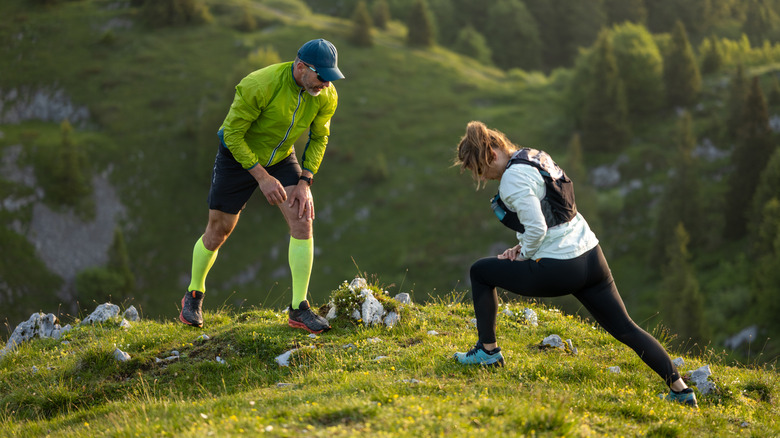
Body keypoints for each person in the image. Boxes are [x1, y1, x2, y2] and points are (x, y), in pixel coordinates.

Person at [452, 121, 698, 408]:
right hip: (591, 256)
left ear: (491, 155)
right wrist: (524, 246)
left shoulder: (511, 180)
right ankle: (680, 390)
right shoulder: (533, 156)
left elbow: (537, 228)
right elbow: (553, 214)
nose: (486, 178)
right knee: (626, 328)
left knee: (480, 272)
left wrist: (523, 254)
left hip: (559, 267)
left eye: (481, 171)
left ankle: (488, 352)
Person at [179, 39, 345, 334]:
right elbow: (232, 134)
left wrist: (305, 180)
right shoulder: (259, 84)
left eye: (331, 77)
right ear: (300, 67)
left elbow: (319, 138)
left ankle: (298, 308)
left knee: (303, 217)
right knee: (218, 231)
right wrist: (262, 177)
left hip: (281, 157)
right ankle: (193, 295)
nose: (326, 84)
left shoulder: (326, 95)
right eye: (321, 76)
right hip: (238, 155)